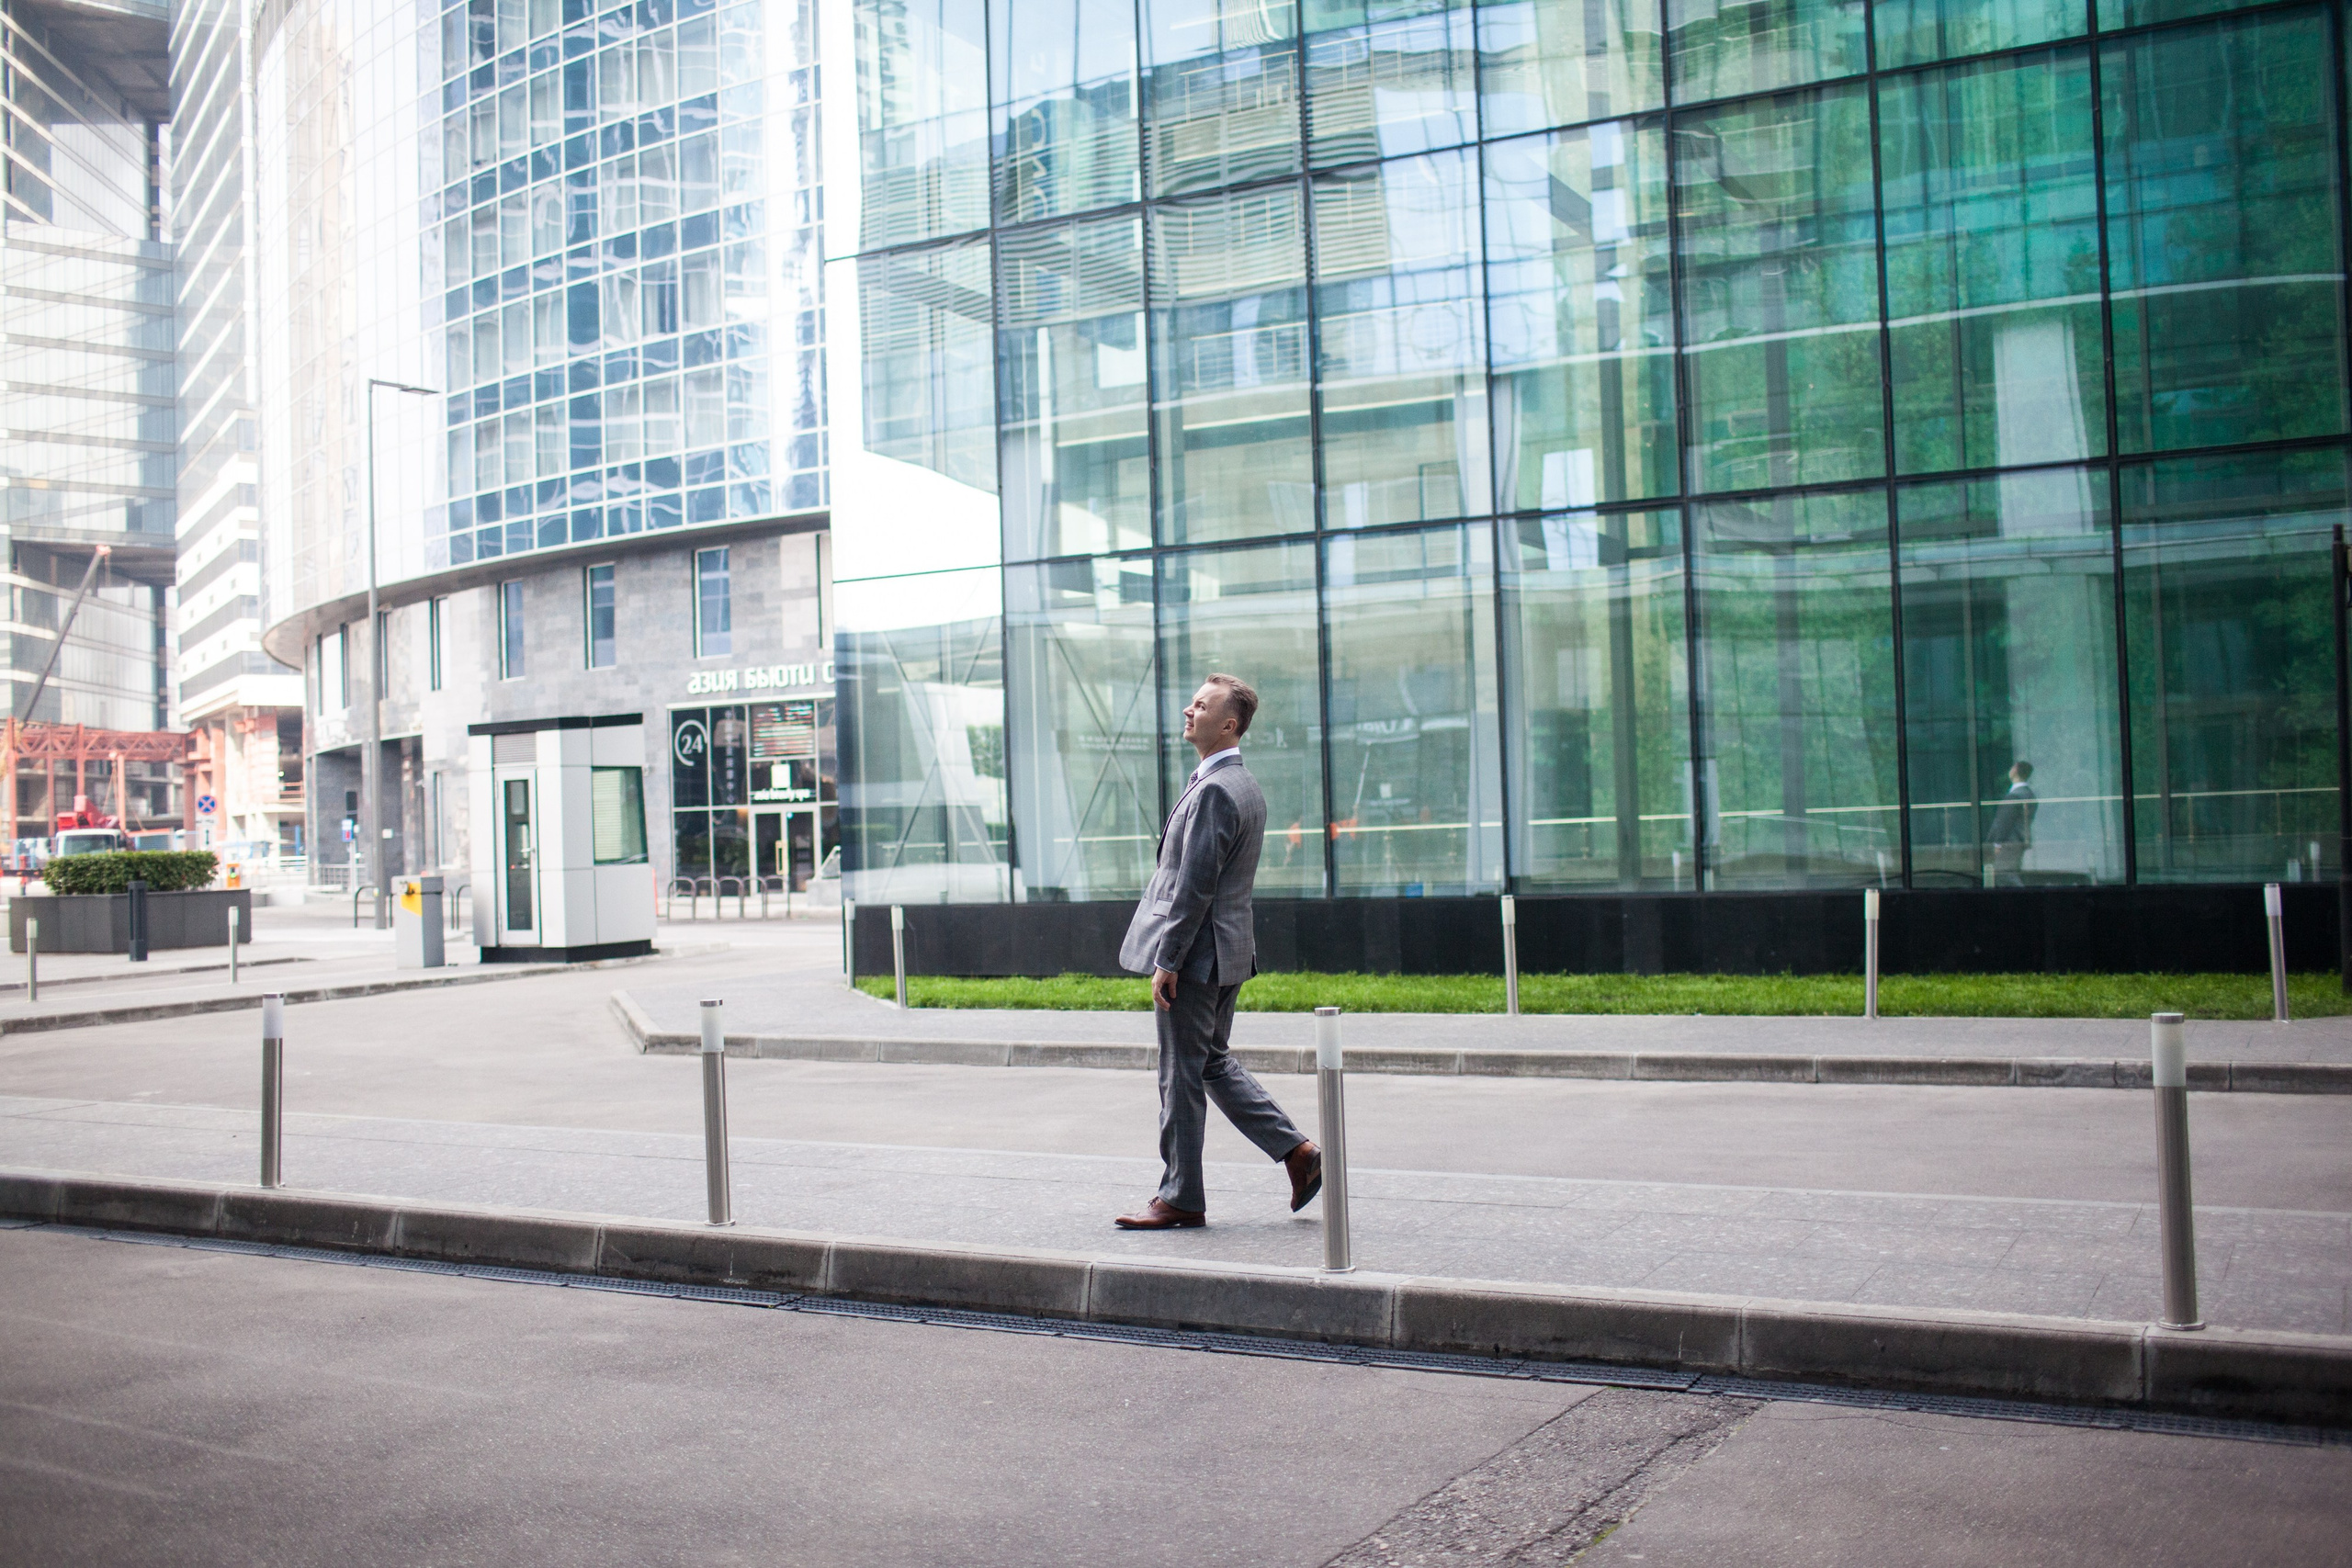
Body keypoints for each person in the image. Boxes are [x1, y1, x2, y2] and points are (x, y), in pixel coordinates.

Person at [1114, 673, 1320, 1230]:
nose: (1188, 710)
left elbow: (1194, 887)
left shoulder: (1214, 790)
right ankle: (1297, 1153)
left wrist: (1168, 960)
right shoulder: (1241, 784)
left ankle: (1181, 1195)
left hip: (1197, 958)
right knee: (1209, 1061)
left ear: (1228, 724)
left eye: (1200, 705)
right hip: (1227, 952)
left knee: (1180, 1074)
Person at [1986, 761, 2037, 887]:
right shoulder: (2029, 794)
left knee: (2003, 873)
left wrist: (1998, 842)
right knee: (2008, 873)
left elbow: (2004, 822)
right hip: (2019, 840)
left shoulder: (2015, 796)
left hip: (2009, 842)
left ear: (2014, 771)